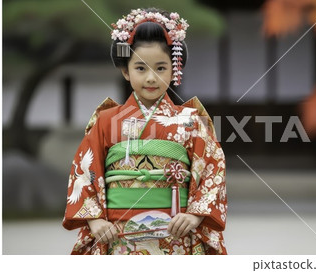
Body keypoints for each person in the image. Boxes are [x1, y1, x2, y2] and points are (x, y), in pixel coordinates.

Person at [62, 8, 227, 255]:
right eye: (141, 68)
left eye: (161, 68)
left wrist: (195, 216)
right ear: (125, 71)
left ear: (174, 70)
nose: (151, 78)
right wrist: (95, 220)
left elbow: (214, 166)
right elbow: (84, 169)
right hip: (119, 233)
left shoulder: (191, 120)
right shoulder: (107, 120)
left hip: (176, 233)